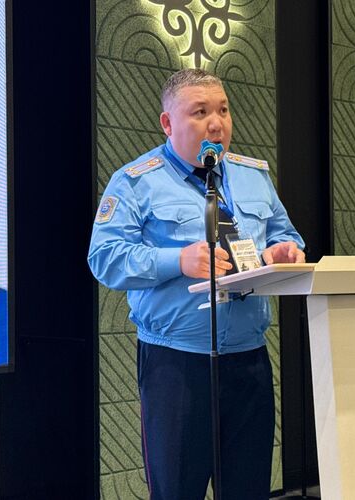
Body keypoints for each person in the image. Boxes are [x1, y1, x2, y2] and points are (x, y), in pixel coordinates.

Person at [88, 68, 305, 500]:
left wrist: (284, 251)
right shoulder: (136, 181)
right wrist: (178, 260)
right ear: (167, 123)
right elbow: (105, 258)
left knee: (249, 490)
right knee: (177, 490)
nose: (216, 123)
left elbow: (285, 235)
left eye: (223, 110)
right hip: (176, 364)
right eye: (200, 112)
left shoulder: (253, 175)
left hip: (249, 359)